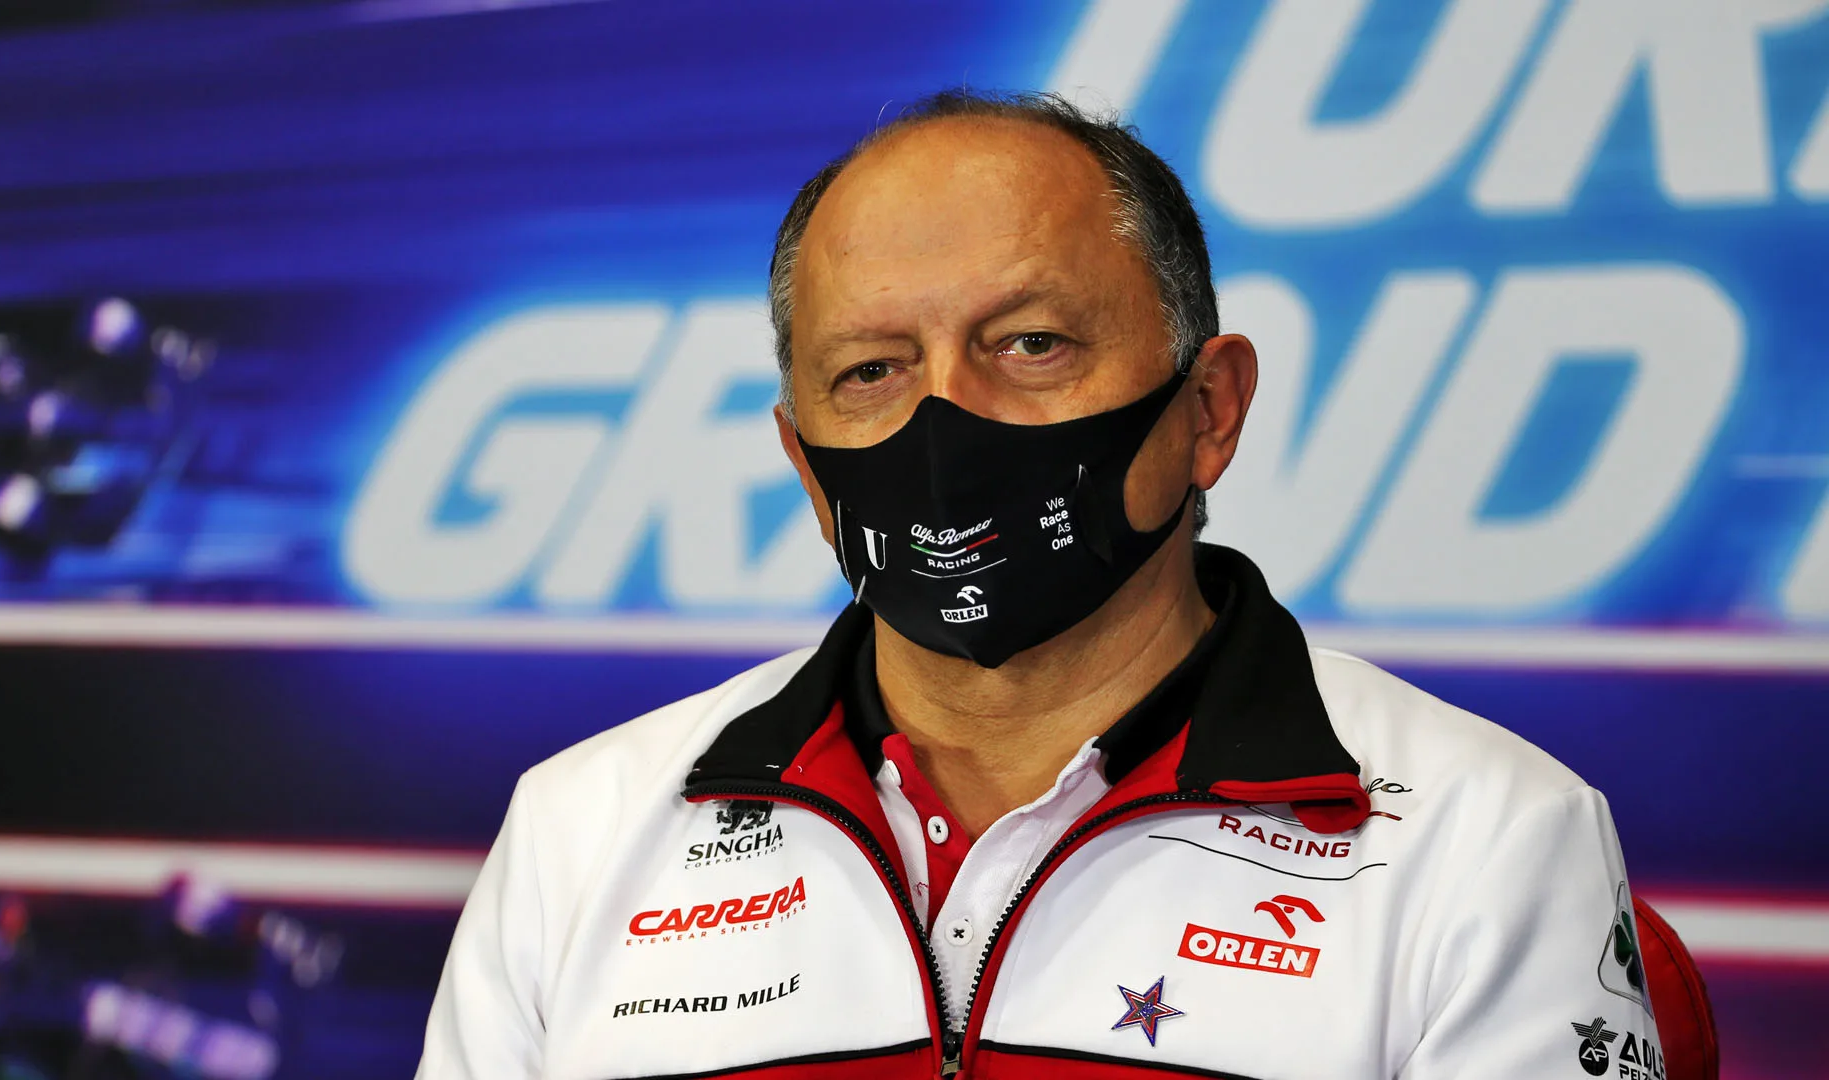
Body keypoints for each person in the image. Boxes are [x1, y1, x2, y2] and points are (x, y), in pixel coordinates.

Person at [417, 91, 1661, 1079]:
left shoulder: (1484, 841)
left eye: (1030, 344)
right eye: (871, 370)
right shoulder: (582, 836)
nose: (947, 421)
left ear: (1210, 408)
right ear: (803, 463)